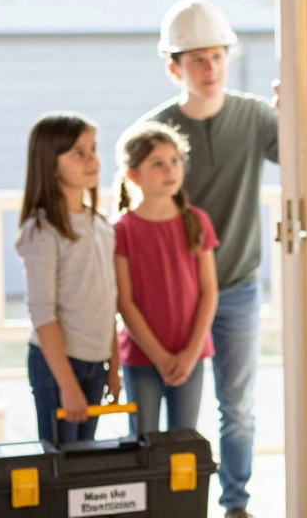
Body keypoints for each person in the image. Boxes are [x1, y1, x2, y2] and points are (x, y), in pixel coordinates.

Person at [141, 0, 278, 518]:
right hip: (179, 297)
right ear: (174, 67)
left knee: (237, 409)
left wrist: (294, 109)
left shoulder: (254, 117)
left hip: (238, 288)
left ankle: (235, 505)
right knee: (183, 410)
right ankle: (177, 503)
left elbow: (301, 155)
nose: (210, 69)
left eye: (217, 56)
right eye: (197, 59)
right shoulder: (157, 133)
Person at [17, 112, 120, 444]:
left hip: (95, 364)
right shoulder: (43, 231)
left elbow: (109, 304)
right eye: (79, 152)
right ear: (50, 164)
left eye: (93, 149)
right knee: (60, 467)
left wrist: (113, 369)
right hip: (58, 369)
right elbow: (43, 313)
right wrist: (67, 385)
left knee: (83, 463)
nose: (92, 159)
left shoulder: (100, 225)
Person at [112, 121, 220, 435]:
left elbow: (209, 292)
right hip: (141, 358)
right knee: (143, 440)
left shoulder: (196, 221)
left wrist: (188, 355)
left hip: (192, 354)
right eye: (157, 163)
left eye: (174, 160)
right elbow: (124, 301)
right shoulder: (123, 229)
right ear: (133, 174)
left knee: (184, 442)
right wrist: (159, 357)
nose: (169, 169)